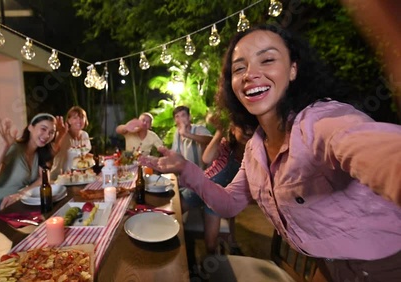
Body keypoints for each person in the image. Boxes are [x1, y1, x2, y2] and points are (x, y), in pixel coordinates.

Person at [141, 24, 401, 281]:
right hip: (326, 265)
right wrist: (185, 169)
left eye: (267, 60)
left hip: (386, 265)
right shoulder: (255, 147)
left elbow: (373, 148)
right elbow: (229, 204)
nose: (250, 74)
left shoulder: (321, 123)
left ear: (293, 70)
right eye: (239, 67)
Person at [182, 112, 251, 255]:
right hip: (203, 184)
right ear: (232, 129)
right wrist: (220, 131)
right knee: (175, 208)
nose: (247, 131)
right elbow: (207, 158)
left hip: (219, 196)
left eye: (251, 127)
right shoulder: (227, 145)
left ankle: (209, 269)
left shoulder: (254, 154)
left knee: (211, 244)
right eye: (241, 127)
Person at [0, 113, 67, 221]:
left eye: (51, 132)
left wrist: (20, 194)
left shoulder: (40, 153)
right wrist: (4, 145)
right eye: (43, 129)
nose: (47, 135)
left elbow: (43, 179)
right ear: (30, 127)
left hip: (17, 205)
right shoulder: (14, 148)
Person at [51, 106, 92, 180]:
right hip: (60, 177)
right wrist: (60, 134)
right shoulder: (62, 134)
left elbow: (83, 155)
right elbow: (54, 149)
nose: (79, 121)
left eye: (82, 118)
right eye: (75, 118)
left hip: (79, 177)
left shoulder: (85, 135)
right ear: (69, 120)